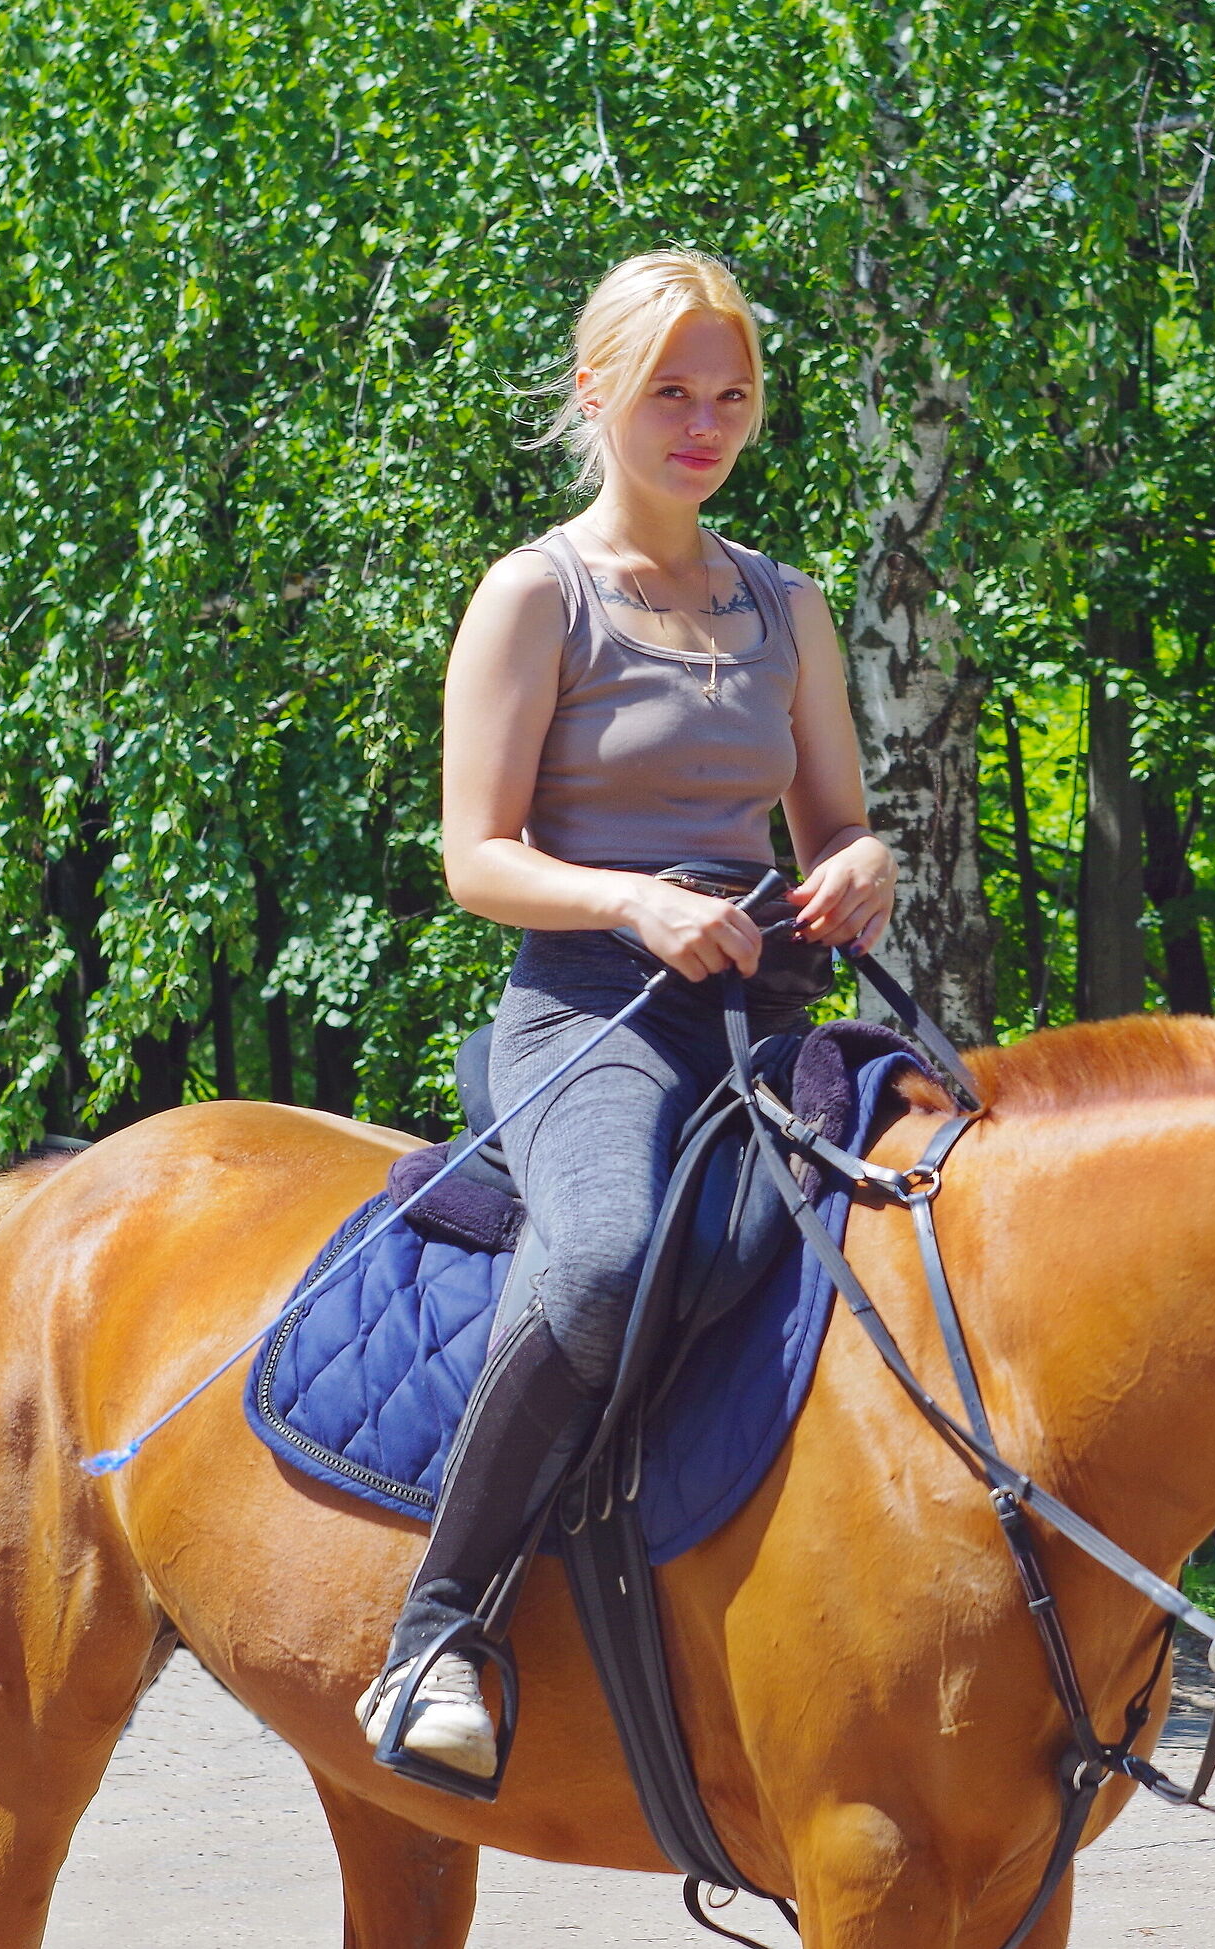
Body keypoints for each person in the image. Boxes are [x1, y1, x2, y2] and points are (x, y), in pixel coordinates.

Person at [357, 251, 898, 1785]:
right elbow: (477, 859)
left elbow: (838, 827)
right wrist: (635, 901)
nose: (703, 422)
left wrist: (862, 867)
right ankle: (437, 1632)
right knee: (598, 1252)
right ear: (597, 389)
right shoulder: (538, 595)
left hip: (763, 1014)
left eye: (730, 396)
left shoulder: (788, 606)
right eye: (671, 389)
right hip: (589, 1013)